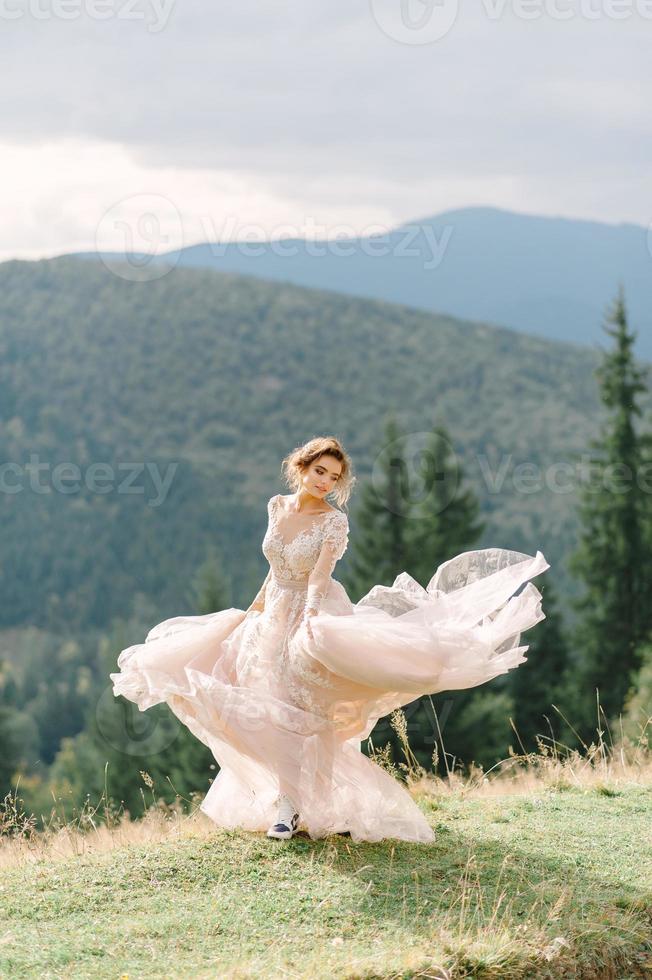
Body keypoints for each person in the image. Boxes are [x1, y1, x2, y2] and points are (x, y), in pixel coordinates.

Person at [110, 435, 549, 844]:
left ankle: (294, 807)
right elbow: (274, 568)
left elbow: (320, 577)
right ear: (301, 467)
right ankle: (291, 802)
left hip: (312, 613)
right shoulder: (276, 506)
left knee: (310, 713)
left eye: (334, 477)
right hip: (272, 614)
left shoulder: (333, 523)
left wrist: (312, 617)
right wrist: (252, 611)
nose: (325, 482)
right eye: (320, 471)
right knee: (266, 703)